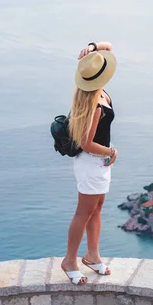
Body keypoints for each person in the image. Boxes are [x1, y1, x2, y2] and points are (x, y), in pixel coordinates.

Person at [61, 41, 118, 285]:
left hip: (98, 163)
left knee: (97, 207)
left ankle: (92, 255)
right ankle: (69, 261)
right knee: (83, 212)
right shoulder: (95, 104)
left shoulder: (100, 92)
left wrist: (92, 47)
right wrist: (111, 152)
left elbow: (109, 46)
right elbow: (86, 143)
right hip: (91, 162)